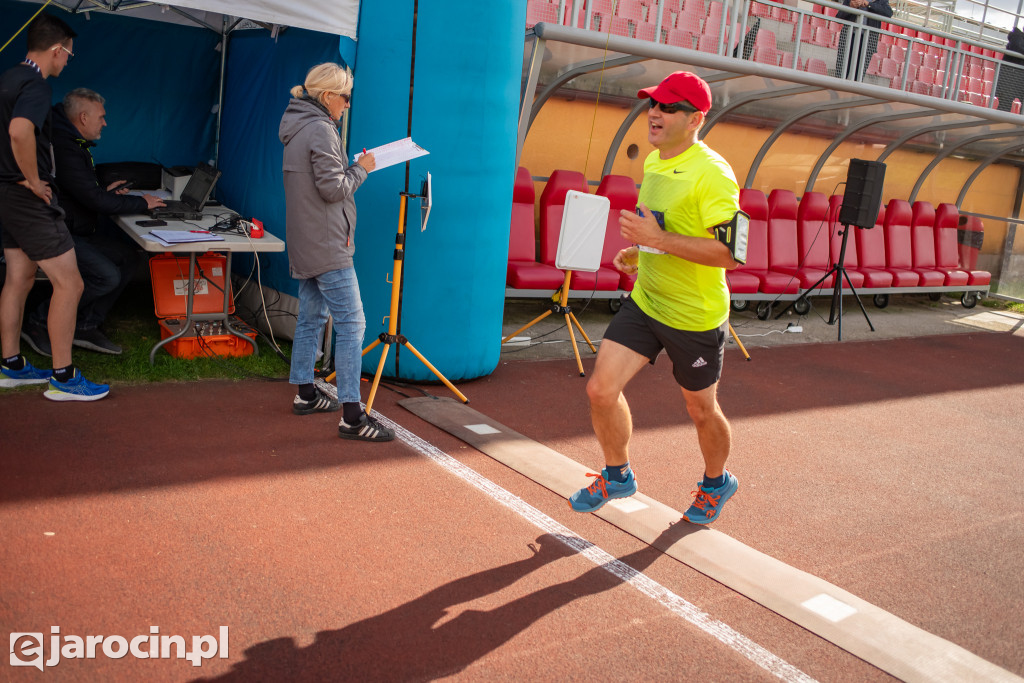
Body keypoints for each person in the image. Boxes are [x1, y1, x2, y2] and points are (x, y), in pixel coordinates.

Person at [568, 71, 741, 524]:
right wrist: (640, 253)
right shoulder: (654, 162)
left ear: (696, 119)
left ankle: (717, 482)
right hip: (648, 300)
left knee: (700, 410)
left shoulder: (714, 174)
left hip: (694, 316)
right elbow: (661, 231)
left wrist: (658, 240)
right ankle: (617, 473)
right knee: (601, 390)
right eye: (653, 105)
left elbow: (731, 255)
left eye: (668, 107)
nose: (655, 114)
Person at [279, 62, 394, 442]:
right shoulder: (321, 130)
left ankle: (306, 393)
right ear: (328, 96)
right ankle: (352, 416)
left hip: (306, 238)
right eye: (345, 97)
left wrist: (350, 166)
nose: (347, 104)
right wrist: (361, 169)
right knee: (352, 324)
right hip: (327, 242)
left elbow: (320, 184)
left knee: (311, 316)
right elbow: (333, 190)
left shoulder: (297, 125)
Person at [0, 12, 109, 401]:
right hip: (24, 196)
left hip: (6, 196)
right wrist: (32, 180)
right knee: (71, 282)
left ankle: (10, 366)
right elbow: (18, 132)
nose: (67, 61)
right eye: (69, 55)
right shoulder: (35, 84)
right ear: (57, 50)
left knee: (20, 279)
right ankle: (64, 378)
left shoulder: (8, 77)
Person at [20, 88, 166, 357]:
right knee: (106, 276)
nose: (105, 123)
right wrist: (142, 203)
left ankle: (86, 324)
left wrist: (105, 193)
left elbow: (82, 193)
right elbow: (94, 201)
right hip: (59, 232)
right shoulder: (65, 147)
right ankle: (37, 321)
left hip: (73, 226)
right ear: (83, 117)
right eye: (102, 117)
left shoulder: (68, 139)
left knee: (128, 258)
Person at [836, 0, 893, 81]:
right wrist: (850, 6)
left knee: (859, 75)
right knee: (841, 72)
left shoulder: (881, 1)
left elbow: (888, 13)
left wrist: (869, 4)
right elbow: (839, 15)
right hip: (849, 37)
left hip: (868, 41)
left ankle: (854, 93)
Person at [994, 27, 1024, 112]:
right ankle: (997, 123)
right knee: (1005, 105)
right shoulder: (1017, 36)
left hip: (1019, 79)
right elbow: (1017, 48)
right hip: (1010, 77)